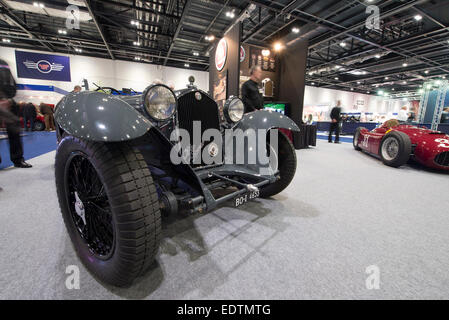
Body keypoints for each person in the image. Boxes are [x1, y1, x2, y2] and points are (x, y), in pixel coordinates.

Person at [0, 58, 32, 174]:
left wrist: (8, 97)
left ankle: (18, 159)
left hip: (9, 101)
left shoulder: (3, 63)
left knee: (14, 132)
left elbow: (10, 82)